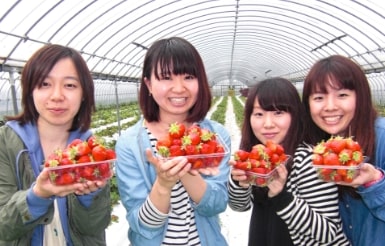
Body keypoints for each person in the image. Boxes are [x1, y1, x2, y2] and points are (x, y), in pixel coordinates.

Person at [115, 37, 231, 246]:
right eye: (166, 77)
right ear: (148, 84)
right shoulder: (129, 144)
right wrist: (163, 184)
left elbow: (216, 205)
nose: (179, 88)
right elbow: (142, 224)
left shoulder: (215, 136)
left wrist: (186, 169)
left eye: (188, 76)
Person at [0, 44, 111, 245]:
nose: (57, 96)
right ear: (29, 90)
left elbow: (95, 226)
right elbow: (3, 228)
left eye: (70, 85)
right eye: (44, 84)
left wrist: (88, 196)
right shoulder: (5, 143)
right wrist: (37, 195)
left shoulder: (92, 150)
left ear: (84, 92)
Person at [227, 77, 350, 245]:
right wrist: (238, 181)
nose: (268, 124)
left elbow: (328, 232)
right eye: (258, 114)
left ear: (295, 115)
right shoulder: (258, 157)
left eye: (278, 113)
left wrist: (281, 197)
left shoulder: (309, 161)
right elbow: (239, 206)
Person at [302, 55, 385, 246]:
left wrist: (374, 182)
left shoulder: (382, 137)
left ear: (361, 97)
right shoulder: (321, 148)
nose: (330, 107)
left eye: (342, 95)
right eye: (319, 97)